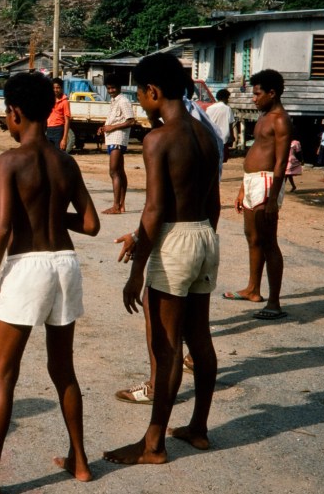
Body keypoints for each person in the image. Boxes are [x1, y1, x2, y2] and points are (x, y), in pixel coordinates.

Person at [0, 71, 99, 494]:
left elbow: (0, 229)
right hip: (65, 263)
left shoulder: (9, 161)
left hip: (28, 268)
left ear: (14, 113)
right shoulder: (66, 161)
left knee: (2, 375)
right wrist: (53, 217)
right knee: (63, 369)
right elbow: (90, 224)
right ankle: (81, 461)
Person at [102, 52, 221, 466]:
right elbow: (214, 201)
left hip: (173, 242)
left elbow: (154, 210)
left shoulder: (158, 140)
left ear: (153, 91)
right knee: (200, 338)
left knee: (167, 346)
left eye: (141, 95)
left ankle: (153, 444)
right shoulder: (206, 137)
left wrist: (137, 270)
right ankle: (199, 428)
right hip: (206, 235)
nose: (141, 102)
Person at [223, 69, 292, 321]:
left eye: (258, 94)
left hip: (266, 183)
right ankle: (253, 289)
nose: (254, 98)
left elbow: (281, 161)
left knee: (268, 242)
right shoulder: (264, 116)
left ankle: (274, 302)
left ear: (272, 93)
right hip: (252, 182)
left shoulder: (281, 120)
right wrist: (242, 187)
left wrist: (273, 197)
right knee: (252, 238)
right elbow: (257, 152)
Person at [99, 73, 135, 214]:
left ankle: (116, 206)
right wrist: (104, 127)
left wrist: (112, 127)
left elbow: (131, 120)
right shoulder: (114, 101)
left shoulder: (123, 101)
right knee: (119, 171)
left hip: (118, 139)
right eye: (108, 88)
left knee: (113, 171)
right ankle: (121, 205)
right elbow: (114, 120)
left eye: (113, 88)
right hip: (112, 138)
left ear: (119, 87)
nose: (110, 91)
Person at [206, 89, 235, 162]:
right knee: (221, 160)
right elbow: (230, 124)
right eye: (228, 98)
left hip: (212, 137)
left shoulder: (209, 108)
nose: (228, 100)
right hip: (223, 138)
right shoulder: (227, 109)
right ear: (225, 98)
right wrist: (232, 137)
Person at [46, 78, 70, 151]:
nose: (55, 90)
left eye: (58, 88)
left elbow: (67, 121)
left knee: (59, 156)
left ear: (61, 88)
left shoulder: (65, 102)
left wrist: (64, 139)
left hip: (59, 130)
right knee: (49, 155)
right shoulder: (49, 100)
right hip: (49, 130)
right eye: (53, 88)